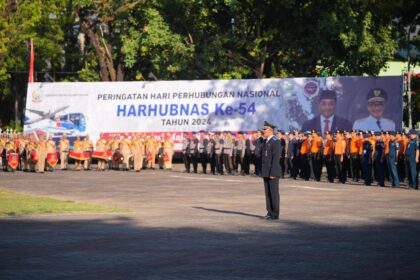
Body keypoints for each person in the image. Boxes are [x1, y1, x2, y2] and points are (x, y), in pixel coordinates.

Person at [260, 121, 282, 220]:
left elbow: (275, 158)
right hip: (266, 171)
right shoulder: (266, 141)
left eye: (265, 129)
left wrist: (273, 172)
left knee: (273, 193)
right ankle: (269, 211)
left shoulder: (275, 141)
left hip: (272, 171)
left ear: (270, 130)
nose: (263, 131)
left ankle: (275, 213)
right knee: (268, 193)